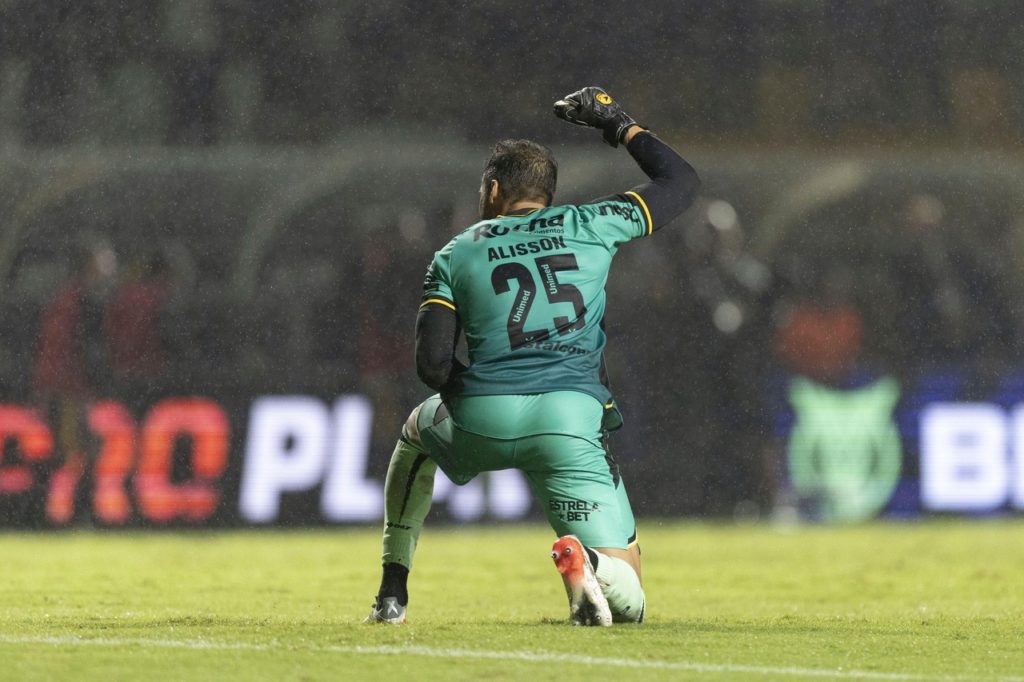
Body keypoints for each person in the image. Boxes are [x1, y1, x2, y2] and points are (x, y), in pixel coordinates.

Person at [365, 87, 700, 626]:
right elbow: (682, 182)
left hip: (481, 416)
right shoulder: (590, 223)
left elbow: (430, 365)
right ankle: (588, 561)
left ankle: (391, 593)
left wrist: (475, 395)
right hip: (569, 420)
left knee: (413, 437)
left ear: (493, 189)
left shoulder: (457, 251)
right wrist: (617, 123)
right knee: (630, 595)